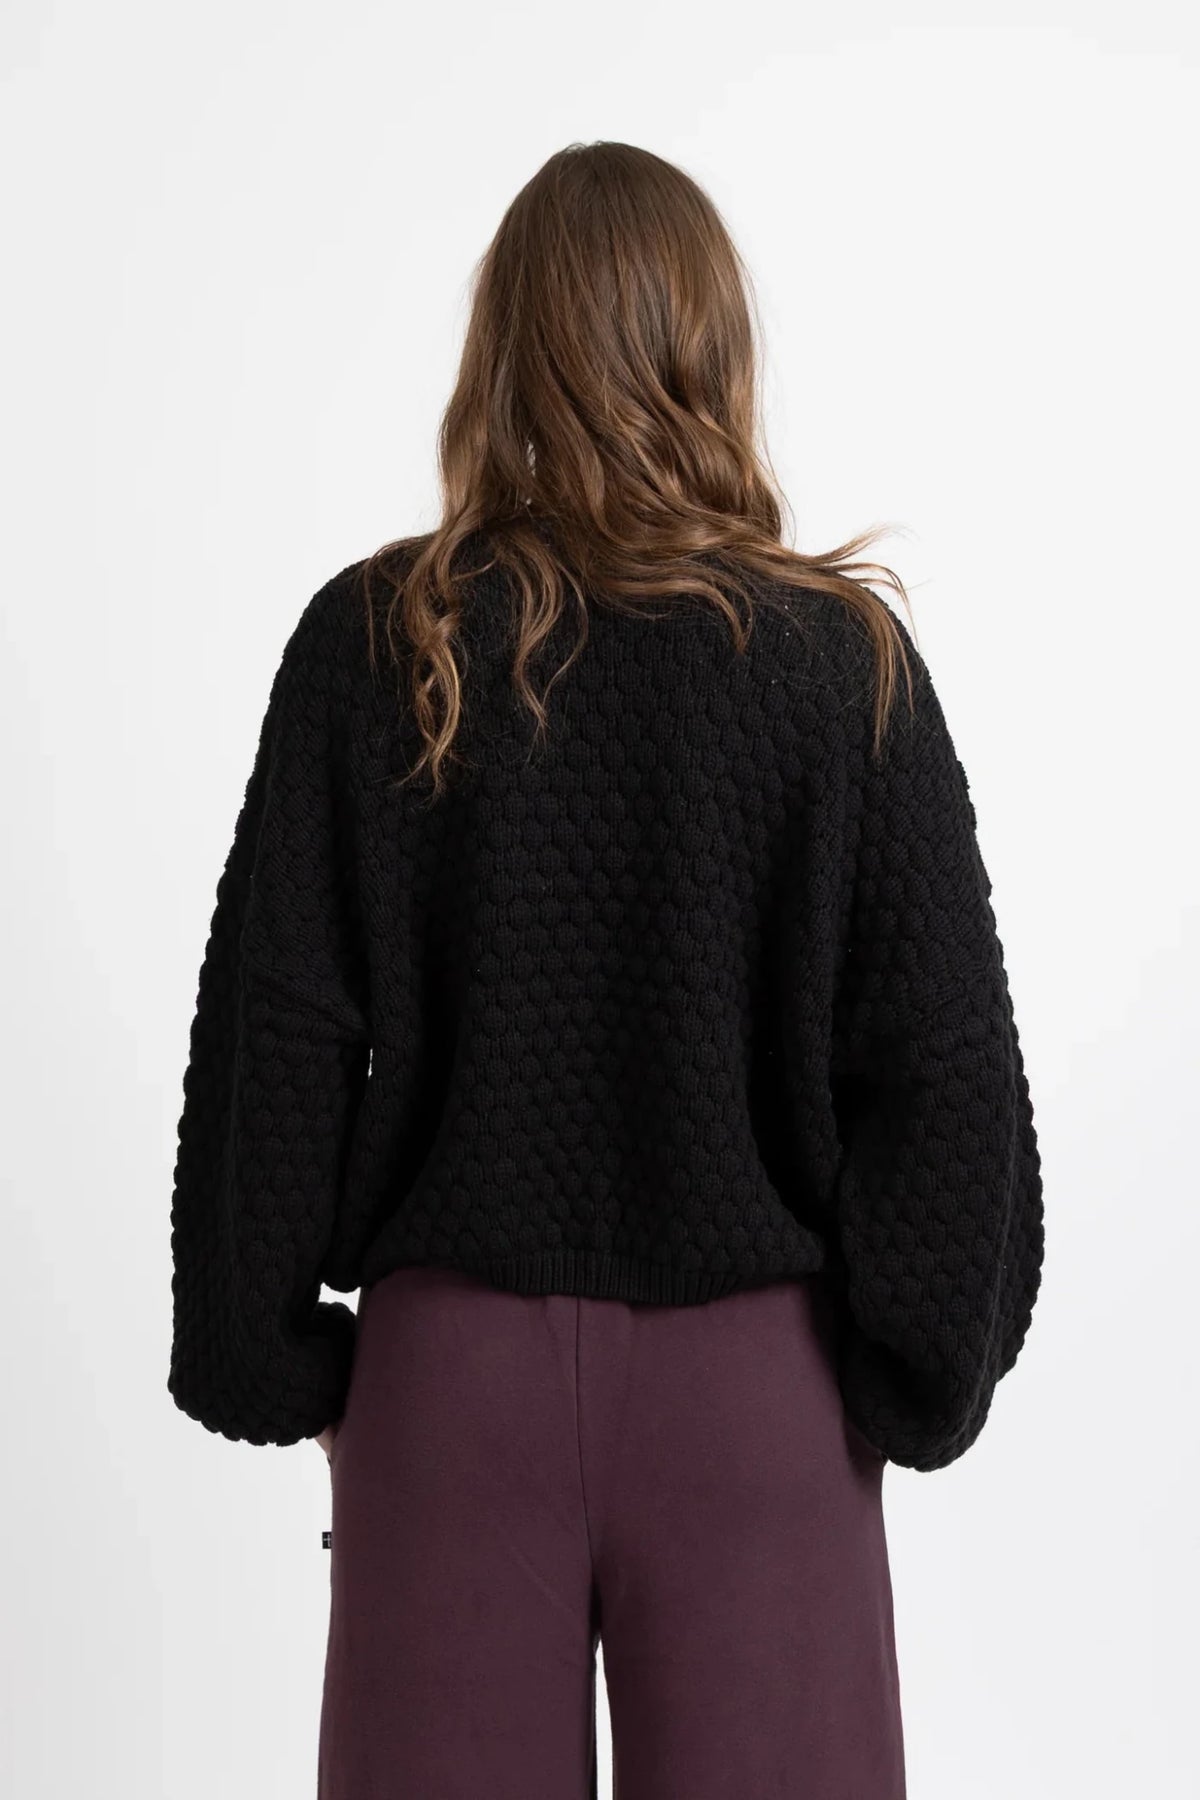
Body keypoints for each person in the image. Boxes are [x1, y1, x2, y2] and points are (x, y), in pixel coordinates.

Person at [166, 140, 1045, 1799]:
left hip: (451, 1394)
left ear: (502, 353)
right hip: (759, 1399)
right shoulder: (836, 665)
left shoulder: (379, 640)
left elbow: (278, 1032)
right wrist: (909, 1370)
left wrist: (272, 1356)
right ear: (713, 347)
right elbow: (941, 1069)